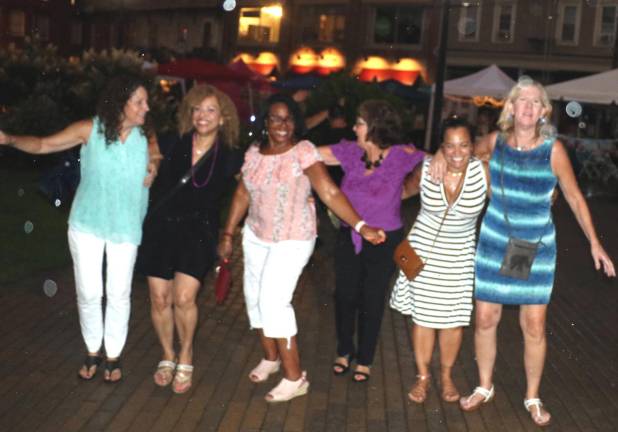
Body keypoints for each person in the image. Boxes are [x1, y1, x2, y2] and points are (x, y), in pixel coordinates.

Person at [432, 77, 615, 426]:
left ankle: (532, 395)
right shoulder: (495, 141)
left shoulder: (554, 149)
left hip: (535, 246)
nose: (528, 107)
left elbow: (574, 197)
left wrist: (594, 241)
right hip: (494, 240)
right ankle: (485, 386)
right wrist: (442, 151)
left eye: (535, 102)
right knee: (485, 319)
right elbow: (464, 150)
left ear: (543, 111)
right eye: (522, 101)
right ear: (511, 108)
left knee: (534, 325)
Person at [217, 93, 385, 403]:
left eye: (289, 118)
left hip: (294, 237)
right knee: (255, 300)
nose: (282, 124)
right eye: (276, 118)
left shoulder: (303, 152)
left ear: (296, 122)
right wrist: (228, 232)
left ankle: (295, 378)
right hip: (255, 236)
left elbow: (329, 192)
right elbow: (242, 193)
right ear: (266, 122)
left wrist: (361, 226)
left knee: (273, 301)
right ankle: (271, 358)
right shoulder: (254, 153)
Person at [0, 74, 160, 383]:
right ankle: (92, 349)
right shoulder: (90, 130)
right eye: (139, 101)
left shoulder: (145, 133)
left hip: (125, 225)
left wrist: (154, 164)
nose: (146, 107)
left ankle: (113, 354)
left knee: (119, 293)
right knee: (89, 292)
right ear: (121, 103)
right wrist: (9, 140)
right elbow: (45, 144)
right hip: (87, 223)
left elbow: (156, 152)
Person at [136, 84, 241, 394]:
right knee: (159, 298)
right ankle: (167, 354)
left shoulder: (230, 155)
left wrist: (229, 231)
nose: (202, 116)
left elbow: (248, 190)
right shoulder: (176, 142)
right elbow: (150, 142)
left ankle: (186, 354)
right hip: (161, 228)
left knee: (184, 298)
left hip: (198, 231)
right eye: (196, 109)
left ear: (223, 118)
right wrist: (153, 160)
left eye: (210, 110)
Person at [317, 99, 425, 383]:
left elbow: (436, 163)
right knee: (345, 295)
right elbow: (310, 155)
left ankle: (364, 358)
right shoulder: (350, 152)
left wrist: (406, 191)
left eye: (360, 122)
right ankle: (344, 349)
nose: (354, 127)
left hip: (385, 240)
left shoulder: (402, 154)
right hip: (348, 236)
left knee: (372, 298)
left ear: (375, 126)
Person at [390, 117, 488, 403]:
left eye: (464, 145)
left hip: (459, 257)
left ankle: (446, 376)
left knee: (453, 322)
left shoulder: (484, 172)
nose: (457, 153)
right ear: (441, 147)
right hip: (423, 255)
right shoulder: (428, 168)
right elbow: (397, 193)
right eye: (450, 146)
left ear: (473, 146)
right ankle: (423, 376)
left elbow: (506, 203)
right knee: (422, 319)